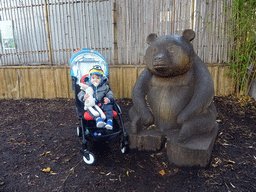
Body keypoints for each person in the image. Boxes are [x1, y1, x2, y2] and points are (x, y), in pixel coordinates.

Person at [78, 65, 114, 130]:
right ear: (89, 78)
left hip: (102, 103)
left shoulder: (105, 87)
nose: (95, 80)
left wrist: (108, 99)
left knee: (109, 105)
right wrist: (83, 97)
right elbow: (80, 93)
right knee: (89, 108)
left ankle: (109, 121)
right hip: (92, 104)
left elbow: (109, 93)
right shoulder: (86, 86)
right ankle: (98, 119)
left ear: (102, 79)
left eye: (98, 78)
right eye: (93, 78)